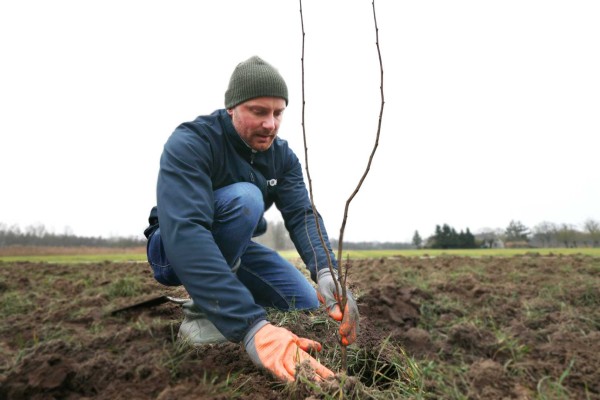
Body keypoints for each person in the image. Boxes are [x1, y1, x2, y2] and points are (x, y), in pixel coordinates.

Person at [144, 56, 359, 382]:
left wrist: (327, 273)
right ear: (231, 108)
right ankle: (203, 312)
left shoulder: (282, 158)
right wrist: (252, 327)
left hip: (235, 249)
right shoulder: (192, 142)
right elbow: (186, 230)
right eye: (259, 111)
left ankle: (227, 291)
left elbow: (302, 215)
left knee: (302, 301)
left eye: (278, 113)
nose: (270, 124)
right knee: (246, 198)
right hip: (173, 246)